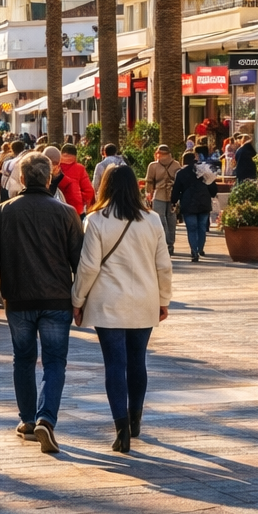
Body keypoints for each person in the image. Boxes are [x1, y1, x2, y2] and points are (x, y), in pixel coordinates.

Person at [0, 152, 84, 454]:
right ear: (49, 178)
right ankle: (45, 419)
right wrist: (81, 299)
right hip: (57, 298)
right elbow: (80, 261)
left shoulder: (3, 212)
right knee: (54, 362)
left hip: (18, 299)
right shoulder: (66, 213)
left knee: (23, 359)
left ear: (21, 178)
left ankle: (26, 420)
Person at [71, 163, 171, 454]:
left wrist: (77, 300)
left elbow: (88, 266)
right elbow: (163, 265)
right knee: (137, 361)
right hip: (143, 299)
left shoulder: (97, 220)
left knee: (115, 364)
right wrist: (164, 299)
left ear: (106, 187)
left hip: (108, 302)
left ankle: (121, 428)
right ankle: (136, 418)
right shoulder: (152, 220)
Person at [171, 147, 216, 262]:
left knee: (191, 229)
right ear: (195, 159)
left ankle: (194, 251)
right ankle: (200, 248)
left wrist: (173, 201)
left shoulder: (181, 173)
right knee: (201, 227)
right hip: (204, 202)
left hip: (188, 203)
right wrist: (211, 194)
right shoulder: (204, 170)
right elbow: (212, 186)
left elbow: (176, 189)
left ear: (183, 161)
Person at [143, 145, 183, 256]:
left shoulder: (154, 165)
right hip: (172, 196)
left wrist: (149, 194)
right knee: (171, 221)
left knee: (161, 220)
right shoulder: (176, 164)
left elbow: (149, 182)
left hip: (159, 196)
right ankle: (170, 244)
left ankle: (165, 244)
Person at [55, 144, 95, 215]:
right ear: (76, 155)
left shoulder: (55, 168)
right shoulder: (80, 168)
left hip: (56, 208)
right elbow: (89, 191)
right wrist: (78, 197)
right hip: (75, 209)